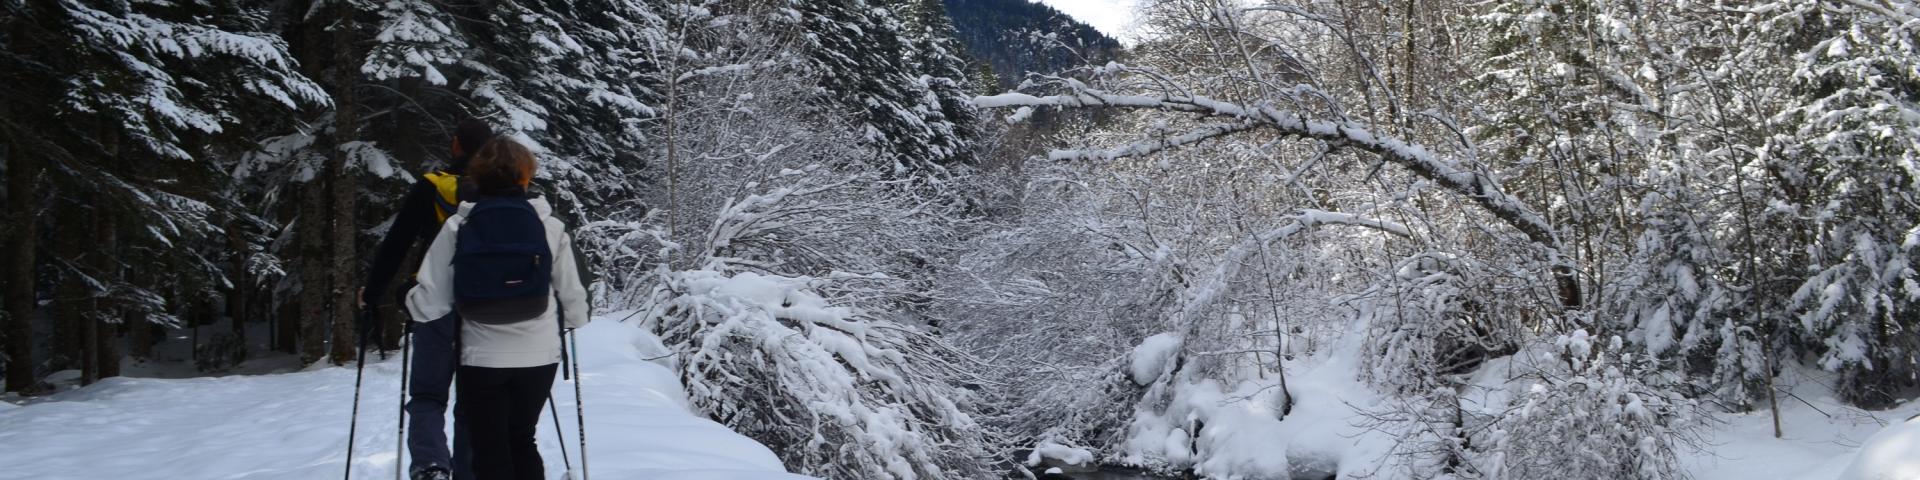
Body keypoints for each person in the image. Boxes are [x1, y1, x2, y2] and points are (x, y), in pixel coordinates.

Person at [406, 137, 591, 480]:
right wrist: (575, 321)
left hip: (481, 357)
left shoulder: (459, 226)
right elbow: (573, 297)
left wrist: (410, 306)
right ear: (526, 176)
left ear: (478, 176)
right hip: (539, 356)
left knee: (488, 446)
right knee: (522, 438)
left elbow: (430, 301)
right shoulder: (549, 226)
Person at [361, 118, 494, 480]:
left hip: (433, 302)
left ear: (455, 146)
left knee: (427, 395)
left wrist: (372, 295)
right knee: (471, 400)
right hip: (485, 307)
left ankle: (430, 465)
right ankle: (469, 470)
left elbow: (396, 245)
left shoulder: (431, 186)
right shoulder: (500, 191)